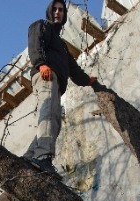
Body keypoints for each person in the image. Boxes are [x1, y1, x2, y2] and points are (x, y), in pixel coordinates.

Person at [24, 0, 98, 174]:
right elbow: (35, 43)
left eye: (61, 10)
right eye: (55, 9)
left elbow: (73, 69)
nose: (58, 12)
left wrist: (88, 80)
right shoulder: (42, 25)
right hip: (46, 76)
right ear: (50, 11)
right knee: (49, 114)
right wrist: (41, 64)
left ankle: (29, 157)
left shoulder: (62, 45)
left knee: (54, 121)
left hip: (56, 83)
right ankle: (43, 157)